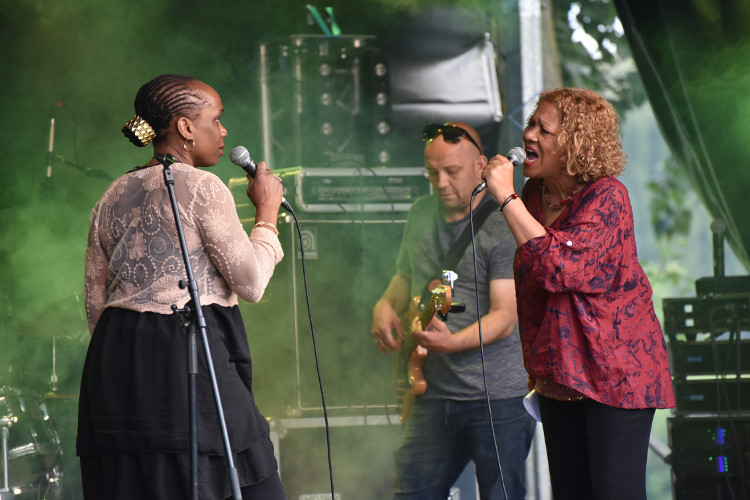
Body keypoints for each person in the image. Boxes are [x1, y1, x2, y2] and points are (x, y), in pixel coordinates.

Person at [77, 74, 286, 500]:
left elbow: (96, 303)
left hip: (115, 364)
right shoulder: (201, 186)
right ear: (186, 128)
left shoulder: (112, 195)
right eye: (217, 119)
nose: (224, 131)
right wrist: (266, 215)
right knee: (244, 479)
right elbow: (251, 283)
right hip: (184, 347)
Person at [481, 87, 675, 500]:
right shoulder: (533, 196)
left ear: (574, 142)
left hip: (615, 375)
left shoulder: (607, 197)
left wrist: (504, 195)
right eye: (531, 123)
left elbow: (560, 268)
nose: (528, 134)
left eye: (542, 129)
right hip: (559, 376)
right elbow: (531, 283)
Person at [371, 122, 535, 499]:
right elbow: (405, 274)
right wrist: (384, 304)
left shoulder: (502, 222)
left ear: (481, 166)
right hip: (433, 393)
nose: (441, 183)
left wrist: (452, 342)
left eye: (452, 172)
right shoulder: (420, 213)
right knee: (411, 492)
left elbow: (505, 316)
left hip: (496, 398)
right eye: (432, 172)